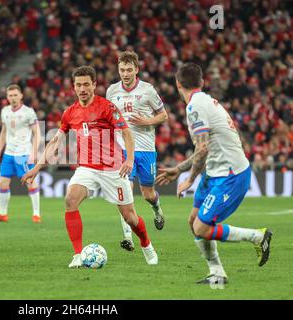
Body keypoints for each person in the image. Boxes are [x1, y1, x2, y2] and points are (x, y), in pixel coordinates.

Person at [21, 66, 158, 268]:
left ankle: (146, 245)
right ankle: (78, 255)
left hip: (114, 168)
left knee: (130, 218)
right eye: (78, 85)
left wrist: (129, 160)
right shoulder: (70, 113)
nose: (82, 88)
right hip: (87, 168)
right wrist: (36, 168)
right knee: (70, 199)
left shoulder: (107, 107)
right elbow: (55, 142)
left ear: (94, 85)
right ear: (73, 87)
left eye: (86, 84)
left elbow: (127, 133)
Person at [156, 62, 272, 284]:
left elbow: (202, 148)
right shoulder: (205, 101)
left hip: (231, 175)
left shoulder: (195, 107)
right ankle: (217, 273)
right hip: (214, 172)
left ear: (177, 84)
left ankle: (258, 236)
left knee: (202, 226)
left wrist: (189, 179)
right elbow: (205, 148)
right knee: (194, 221)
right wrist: (178, 169)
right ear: (201, 82)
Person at [106, 51, 168, 252]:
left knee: (148, 194)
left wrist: (147, 121)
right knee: (124, 192)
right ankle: (127, 237)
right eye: (122, 70)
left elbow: (163, 116)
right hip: (122, 150)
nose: (125, 73)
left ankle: (157, 209)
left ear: (137, 70)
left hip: (145, 149)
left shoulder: (148, 90)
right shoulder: (111, 91)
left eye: (129, 70)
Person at [0, 84, 41, 223]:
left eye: (15, 95)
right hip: (8, 154)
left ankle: (36, 214)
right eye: (10, 95)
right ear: (7, 97)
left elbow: (37, 133)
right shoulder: (5, 111)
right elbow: (4, 132)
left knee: (30, 182)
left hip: (23, 153)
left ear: (21, 95)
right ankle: (2, 214)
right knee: (2, 183)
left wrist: (34, 152)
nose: (13, 98)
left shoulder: (28, 112)